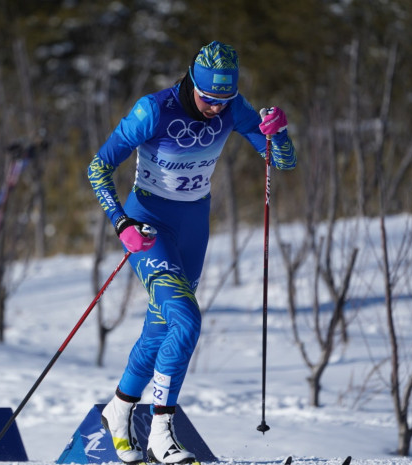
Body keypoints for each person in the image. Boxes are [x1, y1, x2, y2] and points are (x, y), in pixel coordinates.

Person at [87, 41, 297, 464]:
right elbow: (98, 167)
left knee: (160, 330)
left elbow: (282, 161)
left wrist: (280, 134)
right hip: (148, 224)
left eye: (224, 101)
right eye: (207, 99)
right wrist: (121, 224)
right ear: (190, 82)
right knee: (186, 320)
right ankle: (161, 433)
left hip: (193, 229)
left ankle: (120, 408)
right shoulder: (153, 110)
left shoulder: (234, 106)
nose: (216, 109)